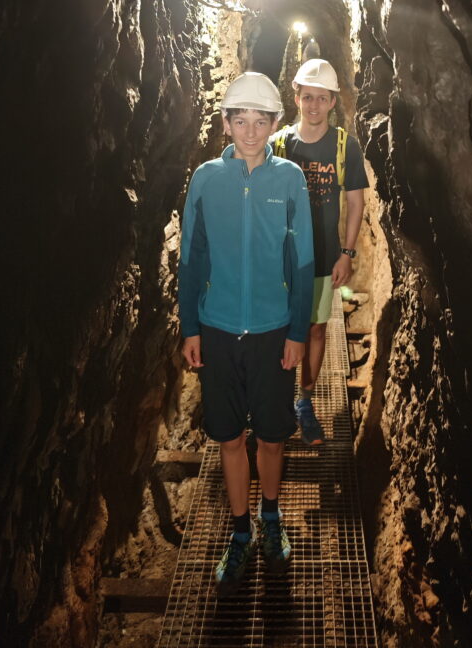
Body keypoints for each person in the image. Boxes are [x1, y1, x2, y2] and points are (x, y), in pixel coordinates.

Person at [178, 72, 314, 596]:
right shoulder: (206, 179)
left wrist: (298, 331)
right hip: (217, 328)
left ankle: (272, 518)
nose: (251, 131)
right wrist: (191, 326)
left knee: (273, 438)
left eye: (261, 121)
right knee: (230, 438)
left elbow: (302, 263)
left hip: (272, 329)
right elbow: (191, 259)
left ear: (275, 125)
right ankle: (240, 532)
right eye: (241, 120)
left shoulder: (290, 181)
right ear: (227, 123)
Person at [272, 59, 369, 445]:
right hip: (280, 258)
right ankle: (274, 401)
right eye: (307, 96)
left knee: (315, 330)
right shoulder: (278, 143)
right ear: (297, 97)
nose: (313, 105)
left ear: (332, 102)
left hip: (323, 257)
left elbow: (356, 203)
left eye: (322, 98)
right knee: (276, 330)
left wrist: (346, 253)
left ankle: (304, 402)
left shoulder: (344, 146)